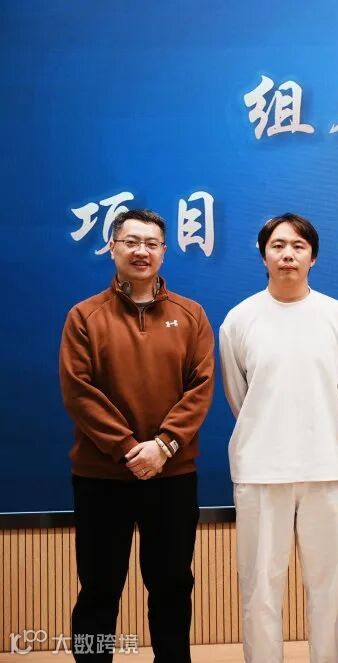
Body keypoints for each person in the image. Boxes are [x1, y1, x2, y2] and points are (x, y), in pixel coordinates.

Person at [59, 209, 214, 662]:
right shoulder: (85, 316)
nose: (141, 251)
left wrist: (163, 446)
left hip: (172, 475)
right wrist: (129, 449)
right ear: (113, 247)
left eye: (151, 243)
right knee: (98, 588)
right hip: (101, 476)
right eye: (131, 241)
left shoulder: (191, 315)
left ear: (164, 251)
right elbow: (78, 391)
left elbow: (201, 388)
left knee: (172, 586)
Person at [219, 213, 338, 663]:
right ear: (263, 255)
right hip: (260, 471)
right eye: (278, 246)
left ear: (313, 257)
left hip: (324, 468)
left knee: (328, 589)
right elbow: (239, 397)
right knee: (259, 590)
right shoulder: (239, 319)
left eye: (298, 246)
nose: (287, 255)